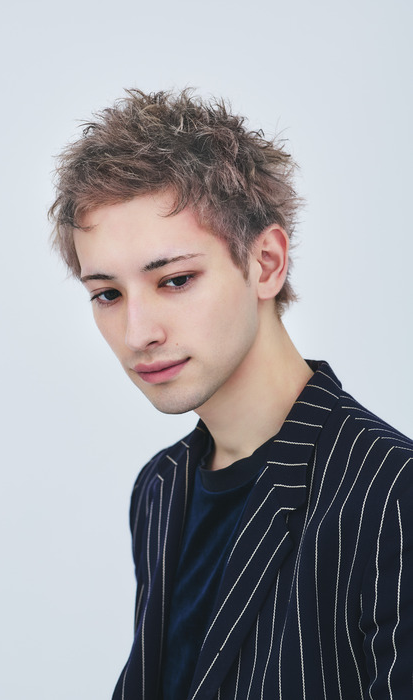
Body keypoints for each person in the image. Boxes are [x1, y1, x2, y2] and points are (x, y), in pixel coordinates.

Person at [49, 89, 413, 699]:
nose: (138, 334)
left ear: (266, 263)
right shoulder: (160, 488)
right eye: (107, 294)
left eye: (175, 280)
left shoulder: (391, 494)